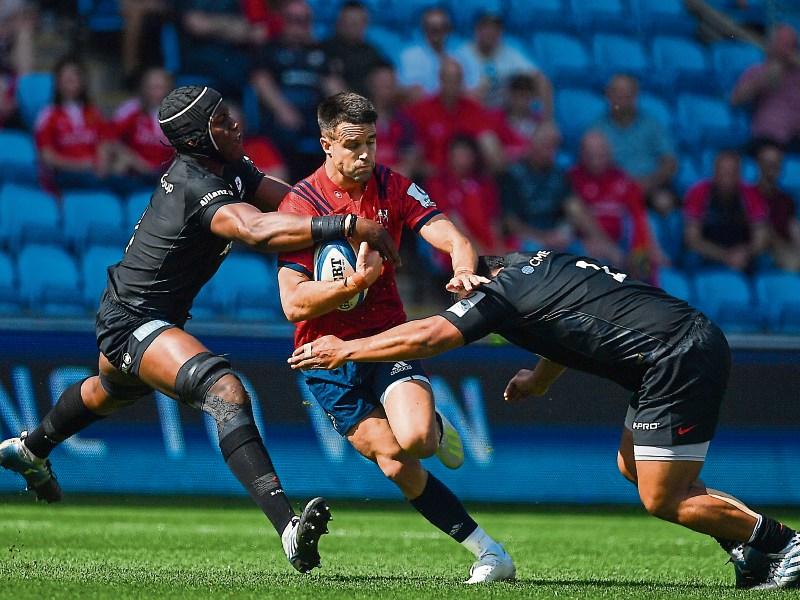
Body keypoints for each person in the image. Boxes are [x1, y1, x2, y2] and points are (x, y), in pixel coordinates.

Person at [1, 85, 401, 573]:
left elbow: (294, 205)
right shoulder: (195, 181)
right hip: (134, 320)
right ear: (198, 138)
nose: (236, 125)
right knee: (226, 392)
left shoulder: (228, 166)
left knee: (109, 391)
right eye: (222, 120)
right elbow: (256, 229)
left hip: (134, 310)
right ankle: (288, 528)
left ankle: (29, 448)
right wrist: (346, 227)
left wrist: (361, 211)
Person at [289, 250, 800, 591]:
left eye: (461, 295)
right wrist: (539, 379)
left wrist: (348, 347)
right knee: (633, 466)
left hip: (675, 357)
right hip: (678, 347)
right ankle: (747, 547)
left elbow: (427, 337)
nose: (459, 301)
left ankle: (785, 544)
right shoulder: (538, 264)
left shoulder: (500, 296)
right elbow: (562, 328)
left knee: (660, 496)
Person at [276, 92, 515, 583]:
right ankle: (491, 553)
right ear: (326, 144)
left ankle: (436, 429)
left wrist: (464, 272)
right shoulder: (300, 207)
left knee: (417, 440)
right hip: (325, 358)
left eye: (371, 143)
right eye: (352, 145)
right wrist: (356, 283)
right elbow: (294, 304)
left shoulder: (393, 187)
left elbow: (454, 238)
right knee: (394, 463)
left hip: (386, 337)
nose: (365, 155)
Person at [250, 0, 344, 181]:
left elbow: (335, 86)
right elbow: (260, 81)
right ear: (282, 20)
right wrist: (282, 109)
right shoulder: (270, 49)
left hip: (316, 116)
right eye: (293, 19)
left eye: (304, 20)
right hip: (282, 116)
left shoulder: (322, 52)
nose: (299, 26)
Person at [501, 123, 610, 255]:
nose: (550, 152)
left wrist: (602, 242)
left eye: (554, 147)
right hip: (527, 238)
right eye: (546, 145)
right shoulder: (512, 175)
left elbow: (576, 210)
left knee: (589, 256)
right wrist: (545, 238)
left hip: (556, 236)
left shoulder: (558, 174)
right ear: (532, 145)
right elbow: (511, 224)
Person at [568, 131, 657, 270]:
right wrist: (606, 247)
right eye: (591, 155)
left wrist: (647, 250)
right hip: (586, 243)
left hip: (622, 243)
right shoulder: (571, 179)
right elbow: (574, 217)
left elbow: (638, 215)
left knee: (645, 257)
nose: (596, 161)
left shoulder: (622, 178)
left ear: (609, 154)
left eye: (601, 155)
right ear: (582, 155)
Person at [34, 56, 118, 193]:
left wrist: (102, 167)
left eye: (75, 75)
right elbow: (46, 156)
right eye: (66, 76)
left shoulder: (94, 112)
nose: (71, 80)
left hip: (93, 174)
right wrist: (80, 166)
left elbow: (104, 144)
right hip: (64, 175)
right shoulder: (48, 114)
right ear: (57, 82)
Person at [683, 150, 770, 272]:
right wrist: (725, 256)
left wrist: (746, 252)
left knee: (765, 260)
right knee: (690, 258)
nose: (727, 177)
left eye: (732, 172)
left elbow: (761, 239)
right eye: (723, 172)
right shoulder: (698, 192)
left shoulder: (752, 194)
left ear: (739, 174)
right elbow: (692, 239)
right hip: (709, 251)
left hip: (742, 252)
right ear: (714, 172)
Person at [593, 75, 677, 195]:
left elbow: (670, 162)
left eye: (627, 93)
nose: (621, 99)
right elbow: (589, 166)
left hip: (651, 186)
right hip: (611, 190)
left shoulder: (652, 125)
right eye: (617, 93)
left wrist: (650, 182)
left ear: (636, 95)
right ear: (608, 95)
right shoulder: (597, 128)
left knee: (664, 202)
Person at [453, 10, 551, 109]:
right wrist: (481, 90)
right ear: (477, 30)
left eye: (496, 29)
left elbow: (542, 81)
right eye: (486, 28)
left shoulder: (510, 53)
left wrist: (547, 120)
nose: (491, 32)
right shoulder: (461, 56)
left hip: (503, 117)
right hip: (472, 114)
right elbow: (452, 96)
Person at [731, 24, 800, 151]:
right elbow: (735, 99)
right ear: (771, 45)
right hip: (768, 137)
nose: (786, 49)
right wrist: (762, 81)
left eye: (791, 45)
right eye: (782, 43)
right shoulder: (757, 71)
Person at [113, 67, 176, 188]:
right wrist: (134, 160)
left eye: (160, 87)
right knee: (119, 163)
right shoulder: (130, 110)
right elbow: (111, 140)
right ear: (143, 88)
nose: (156, 93)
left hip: (170, 175)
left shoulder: (180, 113)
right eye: (151, 87)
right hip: (136, 172)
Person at [397, 6, 477, 100]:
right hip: (421, 110)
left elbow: (471, 91)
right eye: (433, 27)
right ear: (424, 29)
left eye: (442, 27)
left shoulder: (460, 56)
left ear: (448, 29)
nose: (437, 31)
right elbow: (413, 94)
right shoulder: (410, 56)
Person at [750, 143, 800, 271]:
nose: (772, 167)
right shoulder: (747, 195)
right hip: (759, 253)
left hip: (786, 250)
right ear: (759, 165)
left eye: (777, 162)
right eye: (767, 162)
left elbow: (793, 228)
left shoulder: (786, 200)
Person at [321, 1, 387, 96]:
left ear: (365, 24)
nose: (351, 27)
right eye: (347, 22)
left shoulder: (371, 52)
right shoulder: (326, 49)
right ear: (338, 23)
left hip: (368, 101)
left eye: (355, 23)